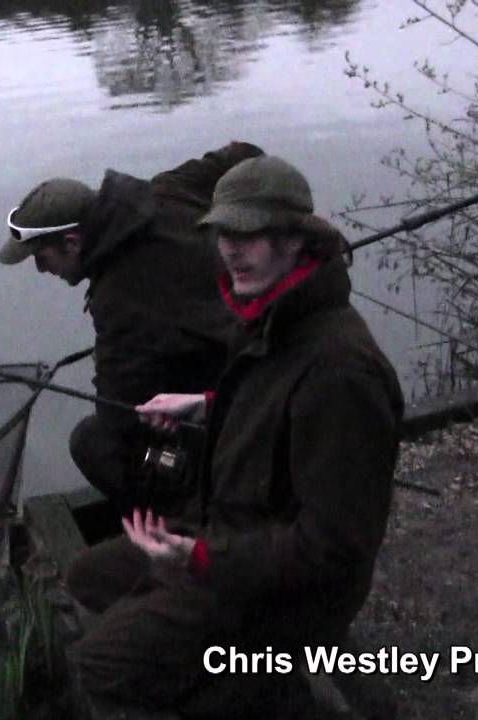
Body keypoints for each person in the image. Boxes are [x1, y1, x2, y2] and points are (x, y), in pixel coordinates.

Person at [64, 155, 405, 718]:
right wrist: (204, 406)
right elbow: (278, 403)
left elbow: (334, 551)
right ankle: (227, 670)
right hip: (227, 532)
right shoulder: (272, 315)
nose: (229, 248)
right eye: (223, 231)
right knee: (88, 578)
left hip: (284, 592)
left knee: (103, 666)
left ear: (298, 239)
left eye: (248, 232)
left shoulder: (343, 371)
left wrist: (197, 559)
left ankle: (266, 688)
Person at [0, 142, 263, 513]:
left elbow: (118, 415)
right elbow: (246, 155)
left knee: (93, 442)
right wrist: (280, 226)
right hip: (263, 345)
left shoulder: (119, 301)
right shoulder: (167, 189)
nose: (43, 271)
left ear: (72, 242)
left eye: (42, 259)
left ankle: (198, 514)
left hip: (244, 395)